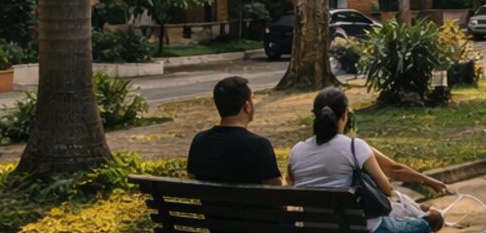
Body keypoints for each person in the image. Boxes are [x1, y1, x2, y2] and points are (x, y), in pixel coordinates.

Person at [290, 88, 449, 233]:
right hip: (362, 229)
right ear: (345, 114)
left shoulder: (296, 151)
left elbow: (292, 183)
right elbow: (387, 189)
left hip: (313, 228)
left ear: (315, 115)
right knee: (431, 221)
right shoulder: (354, 147)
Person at [187, 76, 281, 185]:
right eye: (252, 99)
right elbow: (276, 192)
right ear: (247, 106)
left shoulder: (199, 141)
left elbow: (192, 177)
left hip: (210, 202)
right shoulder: (258, 145)